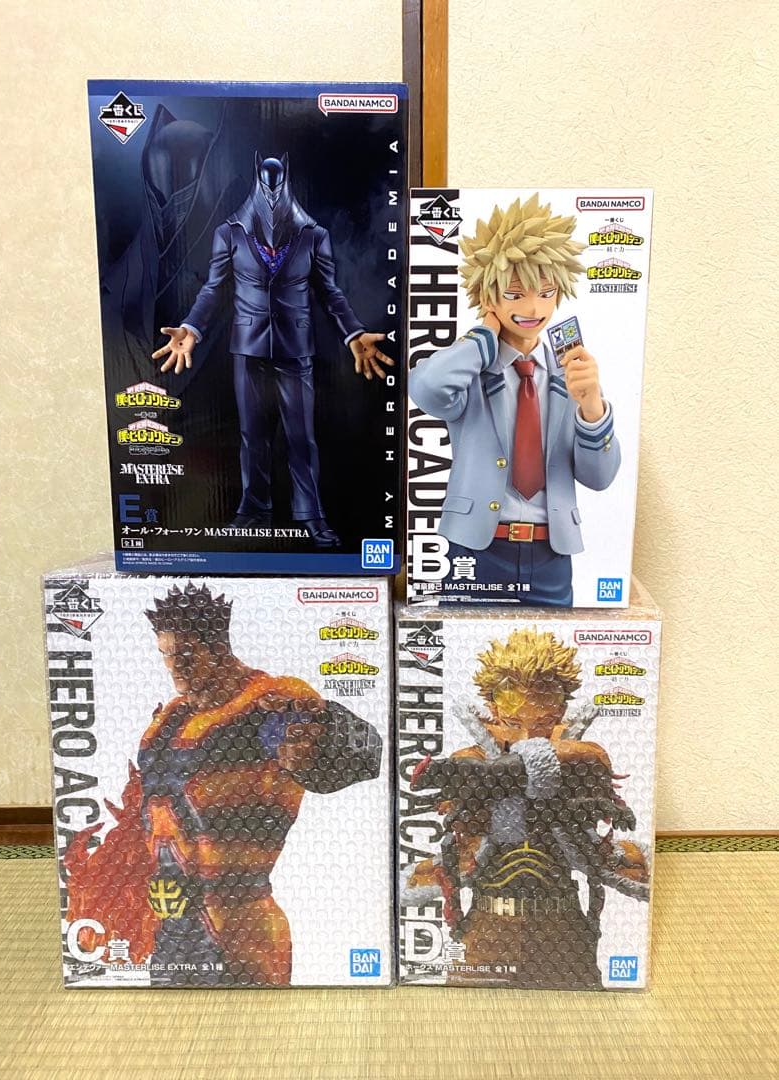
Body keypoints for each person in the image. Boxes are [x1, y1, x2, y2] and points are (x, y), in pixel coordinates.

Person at [65, 582, 382, 987]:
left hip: (240, 919)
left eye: (185, 654)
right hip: (171, 923)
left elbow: (364, 754)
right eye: (166, 655)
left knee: (254, 1017)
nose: (174, 667)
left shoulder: (271, 701)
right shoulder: (170, 718)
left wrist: (315, 742)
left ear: (217, 649)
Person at [152, 153, 393, 548]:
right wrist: (192, 327)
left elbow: (329, 291)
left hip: (294, 348)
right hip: (248, 347)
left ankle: (311, 515)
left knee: (301, 436)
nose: (271, 196)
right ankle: (253, 510)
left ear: (288, 183)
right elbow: (214, 287)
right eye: (266, 186)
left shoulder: (312, 235)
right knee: (252, 435)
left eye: (277, 186)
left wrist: (353, 333)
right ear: (255, 182)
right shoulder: (230, 232)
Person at [406, 628, 648, 989]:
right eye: (513, 723)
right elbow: (462, 851)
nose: (527, 737)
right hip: (486, 927)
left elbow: (586, 760)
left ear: (561, 712)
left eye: (543, 724)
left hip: (563, 928)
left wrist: (500, 773)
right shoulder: (467, 761)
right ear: (493, 710)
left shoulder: (583, 759)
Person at [409, 193, 620, 604]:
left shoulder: (569, 371)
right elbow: (426, 388)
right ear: (488, 296)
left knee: (549, 646)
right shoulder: (471, 370)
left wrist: (592, 407)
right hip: (476, 550)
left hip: (551, 554)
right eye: (514, 294)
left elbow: (600, 478)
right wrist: (482, 338)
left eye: (546, 292)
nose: (532, 307)